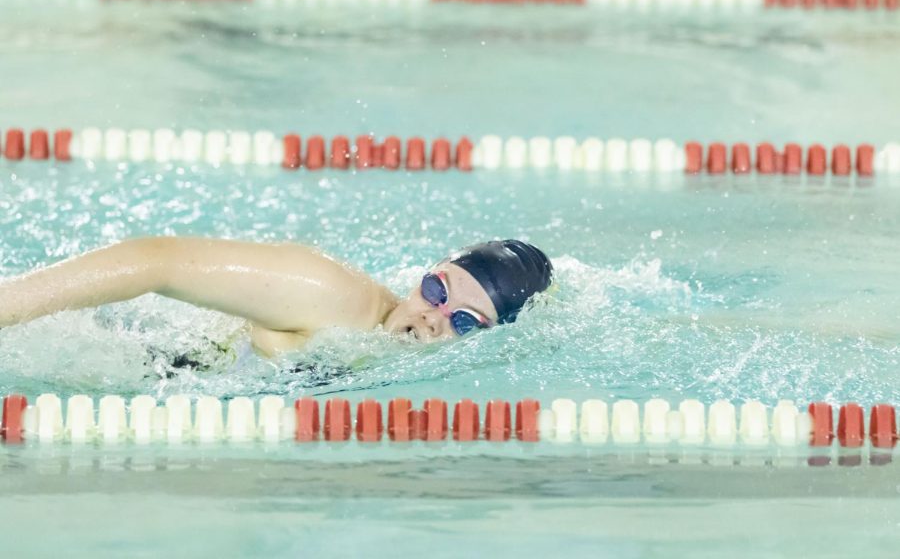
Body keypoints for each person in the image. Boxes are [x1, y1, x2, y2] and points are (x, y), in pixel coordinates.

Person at [0, 237, 553, 359]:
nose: (431, 319)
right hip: (143, 363)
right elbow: (157, 261)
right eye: (436, 290)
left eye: (463, 321)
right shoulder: (329, 295)